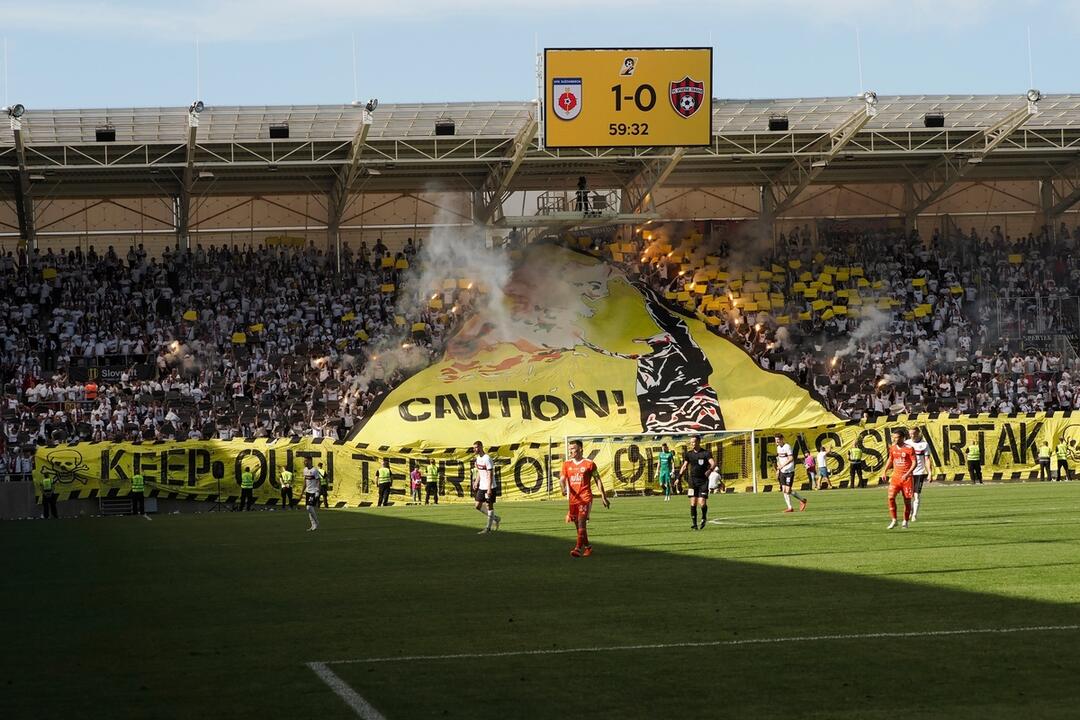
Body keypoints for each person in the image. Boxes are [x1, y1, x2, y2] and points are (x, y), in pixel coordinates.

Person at [561, 439, 610, 557]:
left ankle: (577, 548)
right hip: (573, 500)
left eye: (573, 448)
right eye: (570, 449)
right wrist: (563, 488)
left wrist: (603, 496)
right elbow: (562, 479)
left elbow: (597, 479)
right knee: (578, 527)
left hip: (585, 498)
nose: (571, 451)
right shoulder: (566, 464)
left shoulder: (589, 464)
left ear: (580, 449)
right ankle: (588, 547)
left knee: (582, 523)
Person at [678, 435, 716, 530]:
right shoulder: (688, 454)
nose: (692, 444)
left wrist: (710, 470)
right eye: (691, 442)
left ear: (699, 442)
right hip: (692, 481)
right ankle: (694, 524)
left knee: (702, 503)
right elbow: (684, 466)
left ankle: (703, 517)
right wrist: (678, 478)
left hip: (703, 481)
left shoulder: (706, 453)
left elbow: (713, 463)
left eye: (694, 442)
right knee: (693, 503)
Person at [882, 429, 916, 529]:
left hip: (907, 479)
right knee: (890, 497)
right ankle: (894, 520)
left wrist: (907, 474)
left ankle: (905, 521)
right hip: (895, 477)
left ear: (902, 438)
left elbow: (914, 463)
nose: (895, 439)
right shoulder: (892, 448)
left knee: (907, 501)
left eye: (897, 437)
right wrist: (884, 471)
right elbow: (890, 459)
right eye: (894, 437)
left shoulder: (909, 448)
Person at [472, 441, 501, 534]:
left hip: (490, 486)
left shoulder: (487, 458)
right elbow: (480, 472)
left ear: (481, 447)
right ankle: (495, 518)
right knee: (477, 505)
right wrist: (476, 482)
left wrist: (489, 488)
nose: (474, 449)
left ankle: (488, 528)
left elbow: (490, 475)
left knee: (489, 505)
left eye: (476, 447)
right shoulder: (478, 458)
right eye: (474, 447)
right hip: (482, 486)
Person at [775, 434, 807, 513]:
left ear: (782, 439)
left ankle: (802, 500)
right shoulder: (778, 448)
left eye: (778, 439)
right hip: (782, 471)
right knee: (784, 490)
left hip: (789, 471)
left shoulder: (787, 446)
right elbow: (778, 459)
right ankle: (790, 507)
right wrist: (778, 469)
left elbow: (791, 458)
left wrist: (782, 465)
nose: (776, 441)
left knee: (788, 490)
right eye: (775, 440)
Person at [907, 427, 932, 522]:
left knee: (916, 495)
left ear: (918, 433)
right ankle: (910, 511)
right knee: (909, 495)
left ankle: (914, 515)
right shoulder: (907, 443)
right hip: (909, 473)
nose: (912, 435)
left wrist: (929, 473)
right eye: (910, 433)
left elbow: (927, 459)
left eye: (914, 433)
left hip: (919, 472)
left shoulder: (924, 444)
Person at [304, 462, 320, 531]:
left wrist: (317, 491)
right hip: (307, 491)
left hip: (313, 491)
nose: (304, 462)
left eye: (305, 461)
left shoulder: (314, 470)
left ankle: (316, 521)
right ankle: (313, 525)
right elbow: (305, 481)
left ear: (310, 461)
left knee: (309, 507)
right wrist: (302, 491)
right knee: (309, 509)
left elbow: (318, 481)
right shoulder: (304, 470)